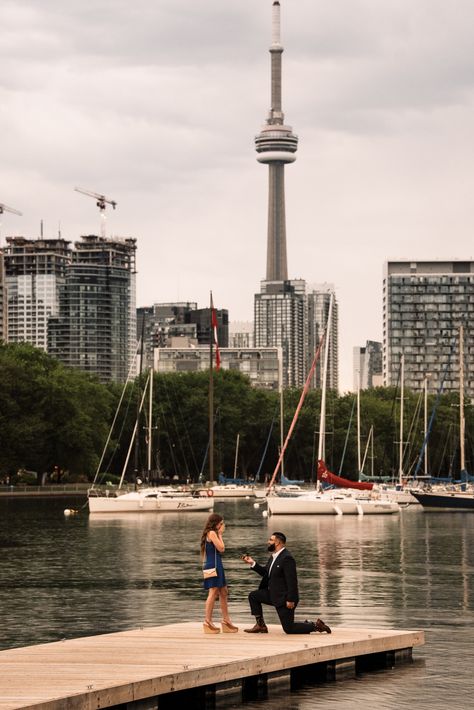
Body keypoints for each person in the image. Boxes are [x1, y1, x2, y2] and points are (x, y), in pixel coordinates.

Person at [241, 531, 331, 635]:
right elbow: (267, 573)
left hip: (284, 599)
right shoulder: (274, 556)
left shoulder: (287, 558)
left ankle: (315, 626)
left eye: (270, 540)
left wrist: (290, 600)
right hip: (273, 594)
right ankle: (260, 625)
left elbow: (292, 581)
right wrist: (252, 563)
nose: (268, 542)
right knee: (253, 596)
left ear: (278, 542)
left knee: (289, 629)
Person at [200, 513, 239, 634]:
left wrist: (220, 534)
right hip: (214, 566)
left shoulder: (212, 533)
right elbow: (221, 548)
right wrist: (220, 535)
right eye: (221, 523)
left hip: (216, 565)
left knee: (224, 592)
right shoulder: (212, 533)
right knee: (213, 592)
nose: (223, 526)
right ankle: (207, 621)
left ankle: (226, 620)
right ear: (216, 524)